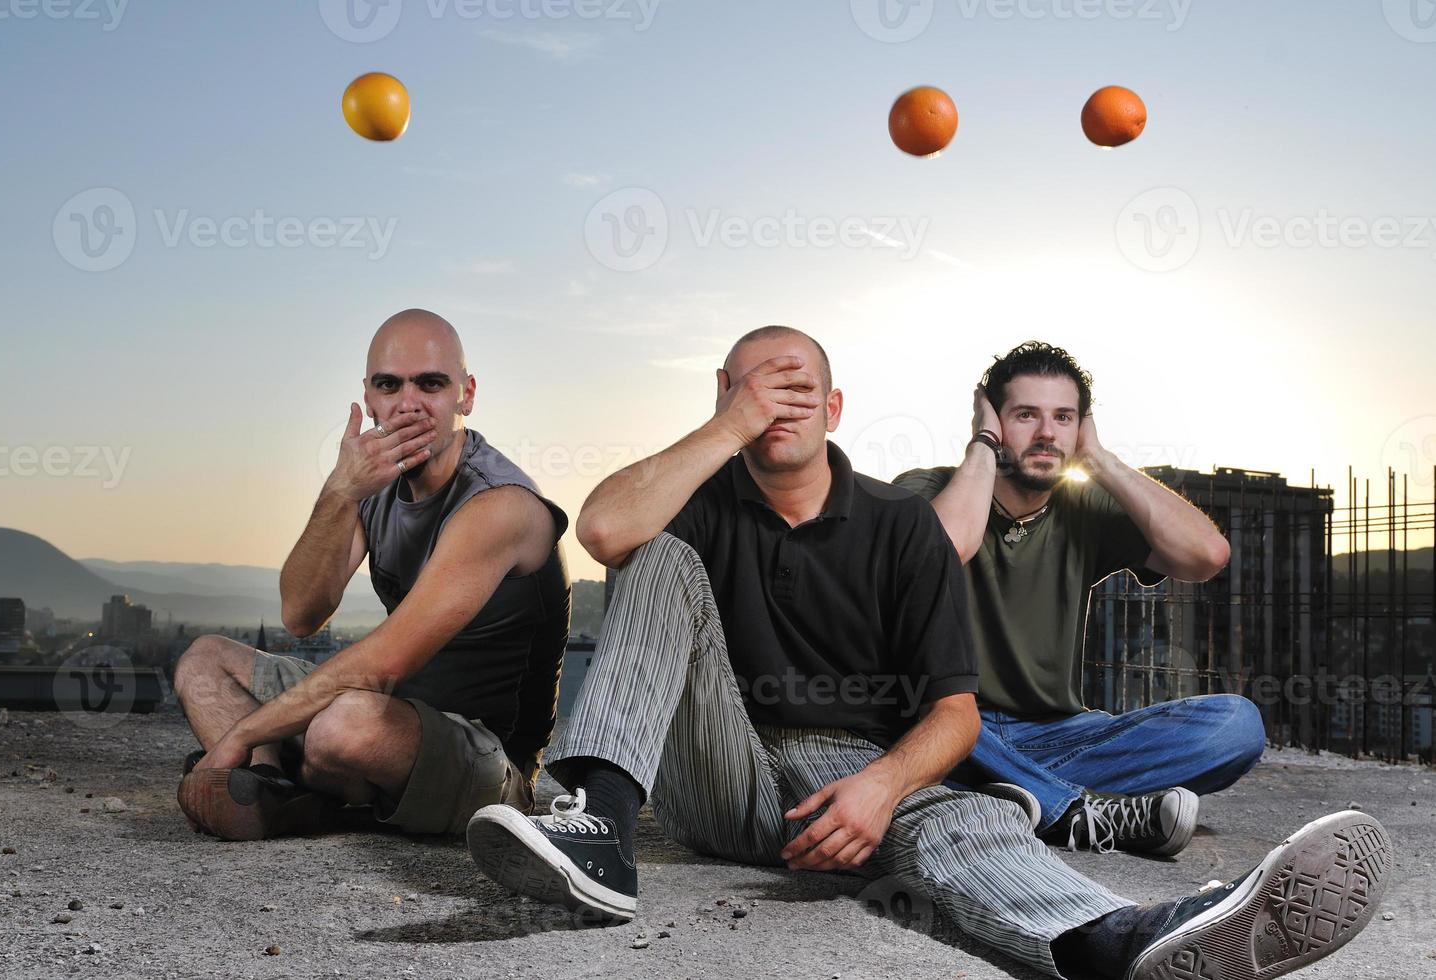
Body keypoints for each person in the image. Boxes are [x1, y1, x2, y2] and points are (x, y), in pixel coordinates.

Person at [462, 326, 1389, 979]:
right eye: (752, 383)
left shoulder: (898, 522)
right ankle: (603, 838)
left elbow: (953, 714)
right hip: (728, 765)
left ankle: (1125, 942)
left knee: (963, 817)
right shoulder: (702, 502)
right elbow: (605, 529)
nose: (773, 397)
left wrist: (880, 786)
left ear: (833, 405)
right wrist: (728, 429)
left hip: (865, 770)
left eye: (794, 384)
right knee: (653, 556)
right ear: (724, 396)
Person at [172, 309, 571, 840]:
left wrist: (239, 736)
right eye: (390, 384)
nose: (408, 403)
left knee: (344, 728)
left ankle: (288, 784)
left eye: (431, 383)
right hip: (392, 710)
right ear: (369, 395)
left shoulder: (499, 505)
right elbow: (301, 614)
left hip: (489, 760)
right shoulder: (377, 484)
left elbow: (384, 663)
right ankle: (273, 788)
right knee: (203, 663)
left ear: (466, 395)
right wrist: (341, 490)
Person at [895, 342, 1264, 857]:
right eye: (1026, 414)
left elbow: (1206, 556)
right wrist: (980, 444)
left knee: (1235, 726)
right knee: (902, 715)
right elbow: (944, 550)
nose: (1047, 433)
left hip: (1055, 731)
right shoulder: (926, 489)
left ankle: (1007, 794)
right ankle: (1070, 811)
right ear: (993, 418)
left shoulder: (1083, 507)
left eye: (1063, 418)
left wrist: (1099, 459)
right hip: (948, 724)